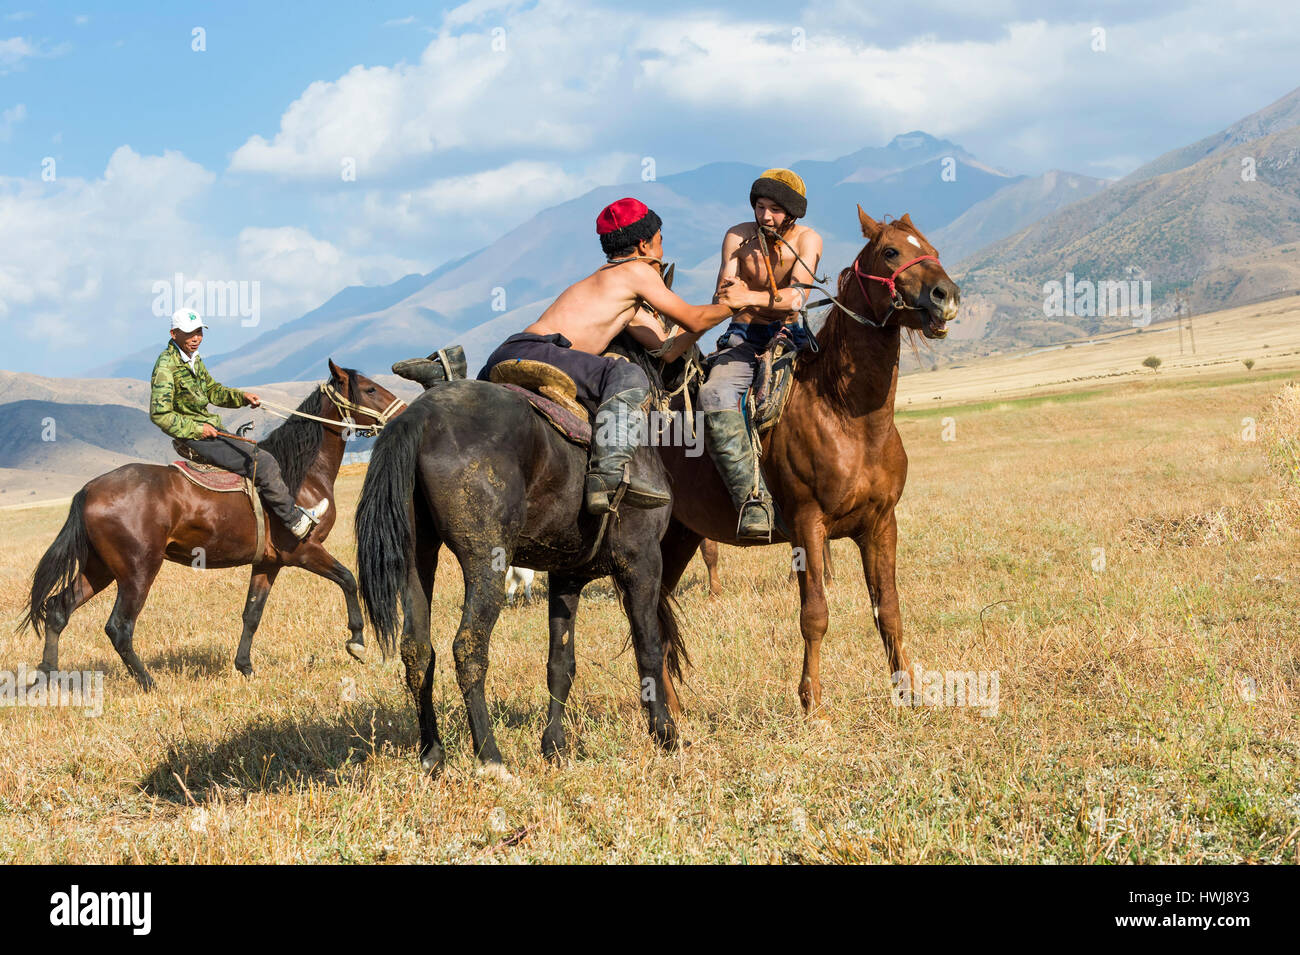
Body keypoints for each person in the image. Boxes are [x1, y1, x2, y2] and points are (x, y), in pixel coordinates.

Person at [478, 197, 746, 515]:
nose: (662, 250)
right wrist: (733, 304)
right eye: (660, 241)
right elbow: (694, 318)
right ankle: (607, 477)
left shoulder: (614, 285)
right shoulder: (638, 271)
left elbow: (670, 349)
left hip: (509, 352)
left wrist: (717, 309)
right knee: (628, 375)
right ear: (644, 245)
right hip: (541, 351)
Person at [698, 169, 824, 540]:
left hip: (791, 336)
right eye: (759, 206)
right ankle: (752, 500)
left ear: (793, 213)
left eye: (775, 209)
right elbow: (724, 295)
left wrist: (749, 296)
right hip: (742, 336)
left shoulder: (808, 240)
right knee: (713, 395)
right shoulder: (737, 237)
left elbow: (797, 298)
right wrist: (737, 300)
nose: (765, 216)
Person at [149, 309, 327, 542]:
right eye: (189, 333)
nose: (196, 338)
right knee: (262, 462)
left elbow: (213, 391)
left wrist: (241, 398)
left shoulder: (193, 359)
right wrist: (197, 429)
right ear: (174, 334)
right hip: (195, 436)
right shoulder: (166, 366)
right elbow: (159, 413)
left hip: (209, 429)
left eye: (199, 332)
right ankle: (295, 521)